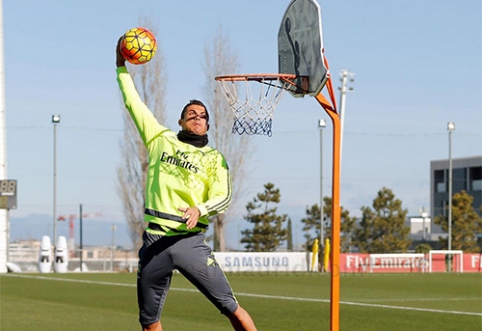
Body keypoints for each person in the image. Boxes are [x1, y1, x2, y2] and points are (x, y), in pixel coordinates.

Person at [115, 39, 258, 331]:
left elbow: (224, 196)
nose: (197, 117)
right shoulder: (159, 138)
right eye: (191, 114)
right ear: (180, 121)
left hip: (189, 241)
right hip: (155, 240)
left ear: (208, 125)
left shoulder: (214, 158)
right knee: (149, 321)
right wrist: (120, 65)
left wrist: (200, 207)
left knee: (231, 308)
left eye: (202, 115)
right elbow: (133, 101)